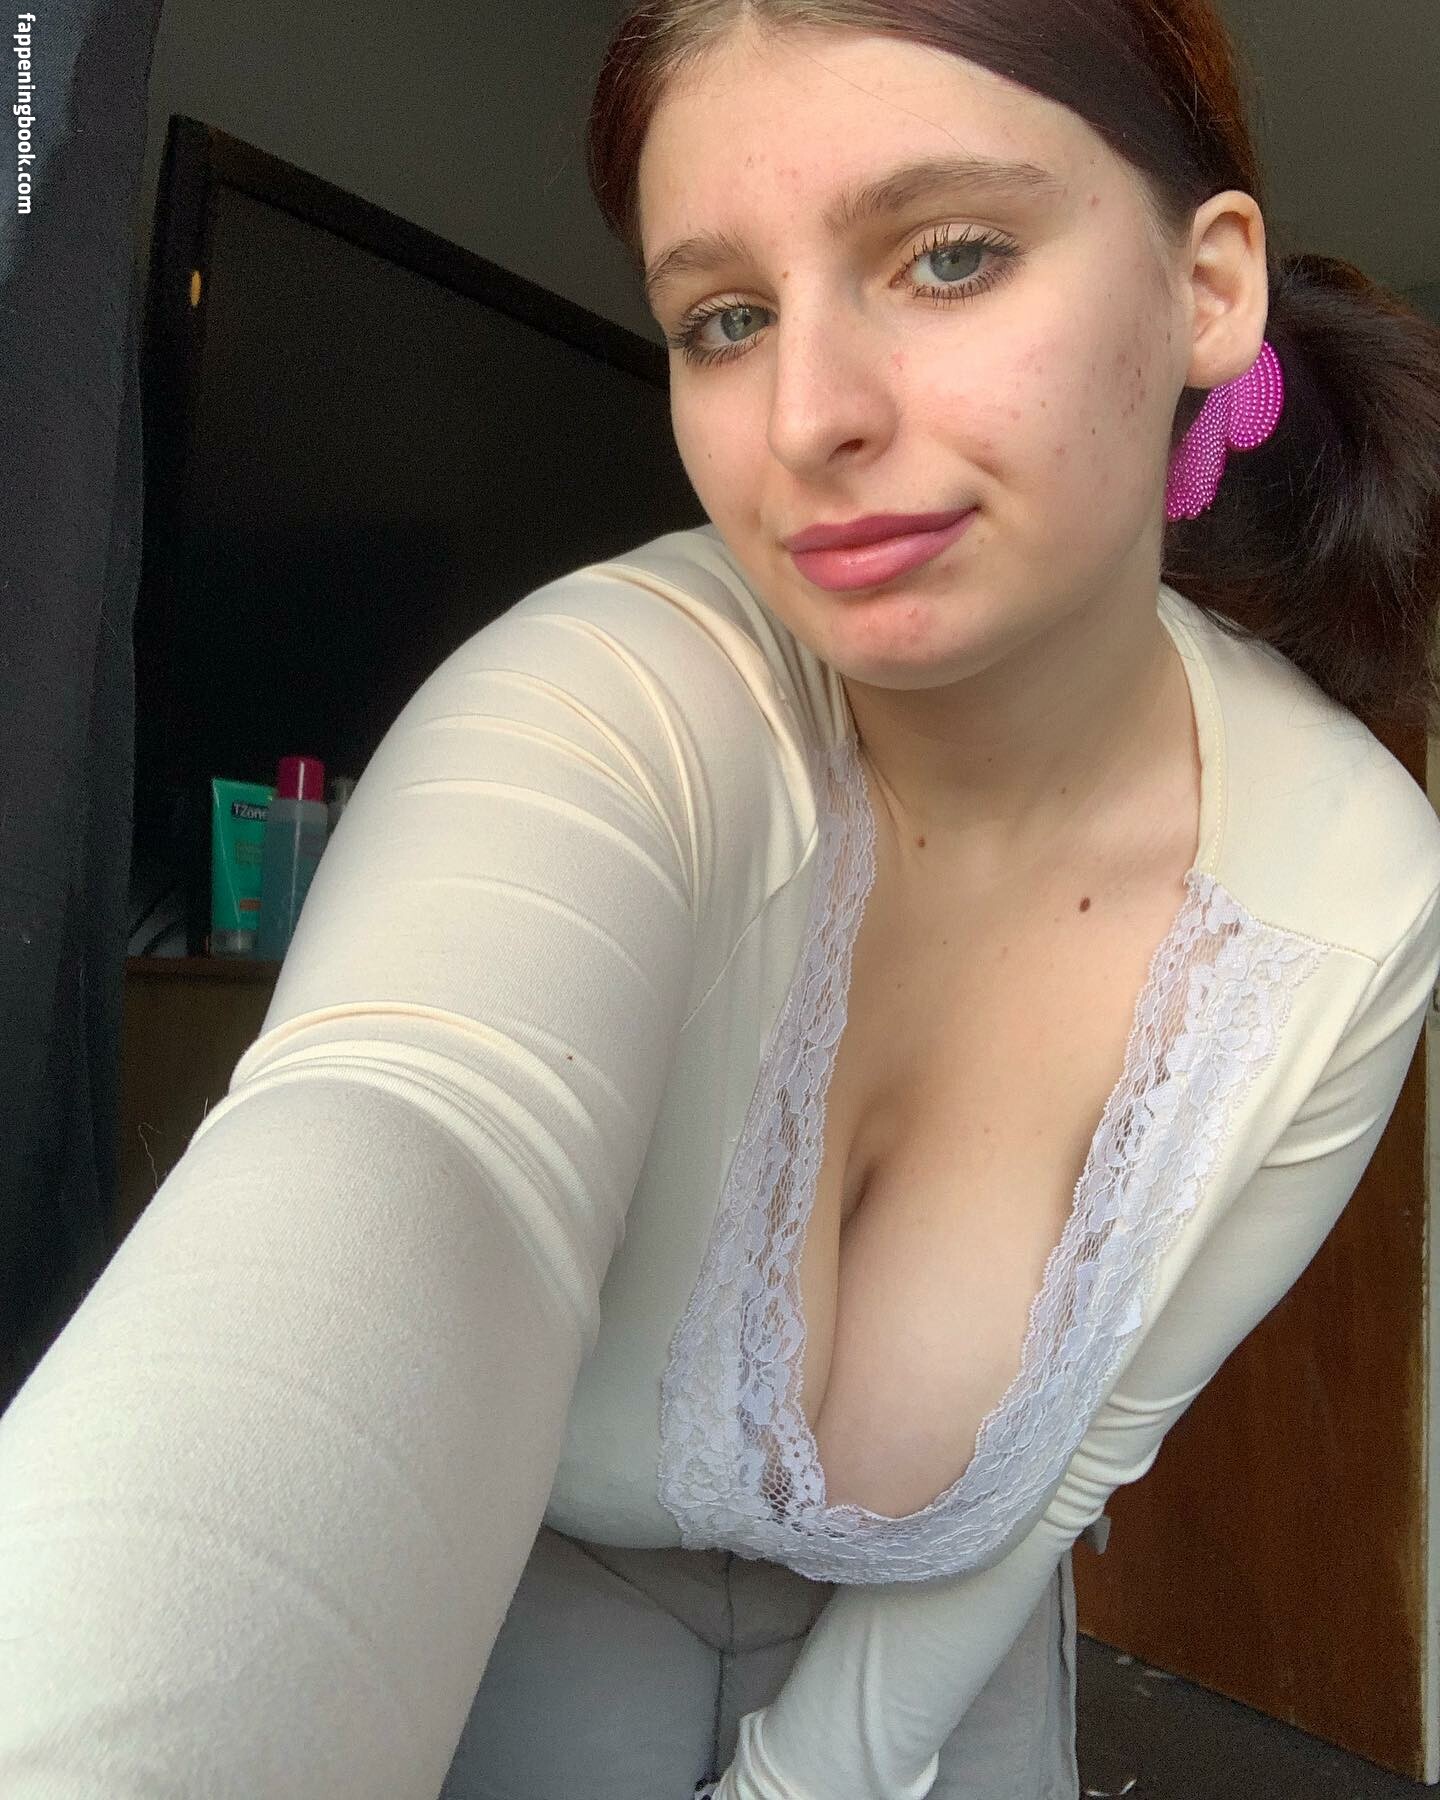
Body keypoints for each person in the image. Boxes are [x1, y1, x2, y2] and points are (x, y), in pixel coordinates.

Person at [3, 3, 1440, 1796]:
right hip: (533, 1595)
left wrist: (800, 1783)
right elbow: (409, 1132)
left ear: (1206, 289)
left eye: (950, 255)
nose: (808, 419)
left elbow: (1081, 1454)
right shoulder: (606, 702)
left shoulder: (1346, 895)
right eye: (725, 320)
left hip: (943, 1632)